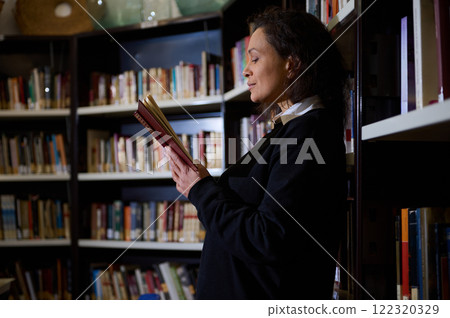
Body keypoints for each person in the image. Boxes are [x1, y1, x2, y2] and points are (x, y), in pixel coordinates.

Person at [166, 7, 347, 299]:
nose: (245, 70)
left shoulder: (307, 133)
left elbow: (268, 237)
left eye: (255, 58)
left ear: (292, 64)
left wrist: (200, 190)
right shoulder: (287, 129)